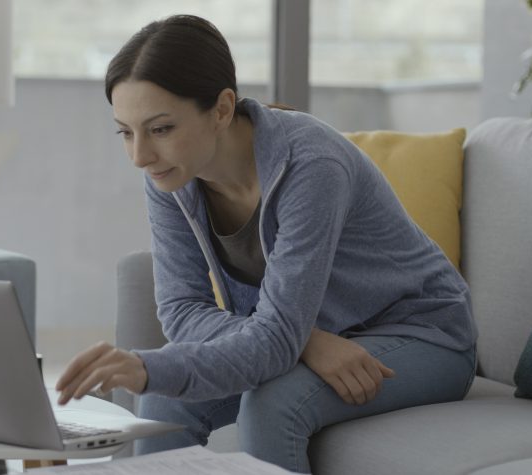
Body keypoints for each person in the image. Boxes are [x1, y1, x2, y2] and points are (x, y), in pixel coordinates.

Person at [56, 14, 477, 473]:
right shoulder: (169, 175)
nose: (139, 155)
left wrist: (153, 365)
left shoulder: (312, 164)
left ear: (221, 108)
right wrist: (306, 342)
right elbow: (181, 312)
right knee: (166, 398)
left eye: (160, 129)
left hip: (421, 334)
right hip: (307, 334)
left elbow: (274, 339)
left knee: (272, 401)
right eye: (125, 131)